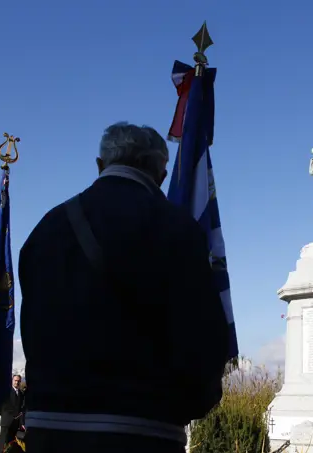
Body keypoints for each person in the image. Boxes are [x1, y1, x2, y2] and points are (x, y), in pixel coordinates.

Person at [19, 122, 230, 453]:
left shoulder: (47, 228)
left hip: (49, 427)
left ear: (100, 165)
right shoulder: (177, 229)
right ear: (161, 174)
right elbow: (202, 333)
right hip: (142, 428)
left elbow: (32, 326)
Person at [0, 375, 25, 453]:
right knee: (2, 443)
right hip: (6, 422)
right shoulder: (6, 392)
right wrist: (14, 415)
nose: (17, 382)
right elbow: (4, 406)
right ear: (12, 381)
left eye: (18, 381)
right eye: (15, 380)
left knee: (11, 444)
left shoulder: (21, 394)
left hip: (15, 424)